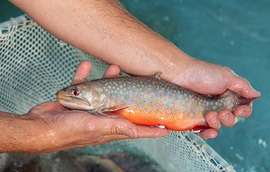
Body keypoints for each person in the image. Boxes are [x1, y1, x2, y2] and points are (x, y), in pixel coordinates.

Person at [1, 0, 259, 153]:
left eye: (76, 93)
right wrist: (38, 133)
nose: (68, 95)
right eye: (75, 94)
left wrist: (178, 68)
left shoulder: (107, 104)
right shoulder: (106, 102)